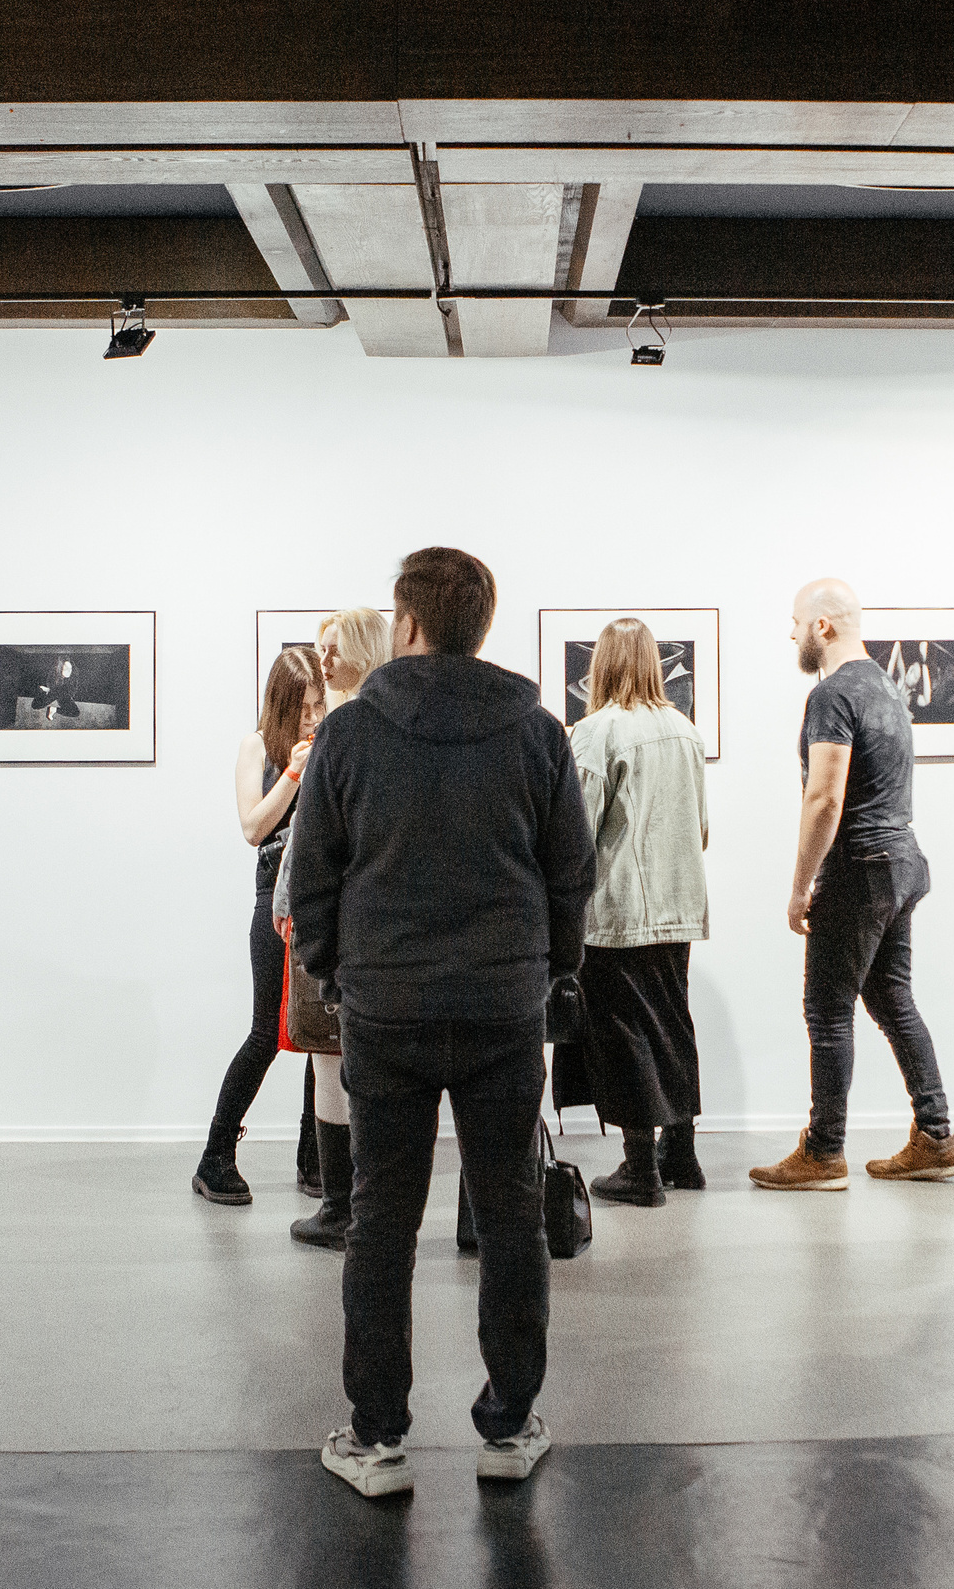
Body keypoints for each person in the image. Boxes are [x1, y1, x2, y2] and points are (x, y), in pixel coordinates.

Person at [290, 547, 595, 1497]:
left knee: (380, 1218)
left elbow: (313, 873)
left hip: (386, 1005)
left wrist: (338, 970)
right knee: (510, 1215)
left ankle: (377, 1436)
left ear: (409, 622)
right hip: (503, 1006)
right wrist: (550, 969)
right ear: (479, 625)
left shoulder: (351, 733)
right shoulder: (537, 732)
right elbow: (572, 873)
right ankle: (508, 1425)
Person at [751, 578, 954, 1191]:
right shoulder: (888, 689)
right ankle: (937, 1136)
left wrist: (800, 886)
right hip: (901, 862)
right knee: (894, 1001)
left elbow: (824, 797)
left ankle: (824, 1152)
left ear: (822, 626)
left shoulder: (833, 693)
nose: (791, 633)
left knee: (827, 1009)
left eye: (796, 621)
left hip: (860, 867)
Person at [558, 617, 710, 1206]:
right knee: (672, 1026)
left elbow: (577, 832)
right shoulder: (685, 730)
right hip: (679, 907)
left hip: (619, 913)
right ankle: (682, 1155)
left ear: (601, 665)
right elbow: (701, 828)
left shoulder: (596, 731)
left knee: (624, 1038)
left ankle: (640, 1169)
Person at [273, 608, 394, 1248]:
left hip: (344, 923)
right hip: (372, 922)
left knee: (333, 1062)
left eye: (333, 648)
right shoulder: (389, 727)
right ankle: (355, 1202)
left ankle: (342, 1207)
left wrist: (289, 902)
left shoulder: (343, 731)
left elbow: (310, 837)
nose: (322, 660)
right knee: (345, 1064)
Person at [193, 644, 326, 1205]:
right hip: (273, 895)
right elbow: (253, 828)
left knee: (323, 1035)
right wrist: (294, 771)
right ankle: (215, 1155)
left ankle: (316, 1158)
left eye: (319, 705)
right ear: (282, 704)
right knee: (266, 1033)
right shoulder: (258, 746)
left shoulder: (332, 741)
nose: (313, 717)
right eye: (303, 707)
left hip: (322, 896)